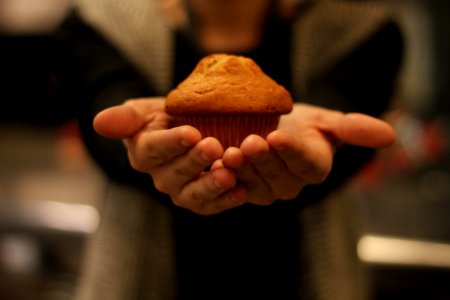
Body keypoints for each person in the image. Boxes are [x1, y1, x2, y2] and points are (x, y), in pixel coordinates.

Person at [55, 0, 404, 299]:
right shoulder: (100, 21)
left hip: (303, 278)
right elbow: (105, 111)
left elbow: (342, 113)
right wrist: (137, 143)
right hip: (139, 277)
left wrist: (320, 144)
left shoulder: (363, 30)